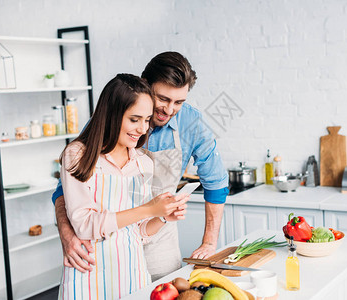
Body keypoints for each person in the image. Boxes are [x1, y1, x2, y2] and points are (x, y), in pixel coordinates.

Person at [53, 52, 229, 280]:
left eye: (178, 102)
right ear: (145, 85)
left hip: (157, 239)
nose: (169, 110)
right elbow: (65, 188)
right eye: (163, 99)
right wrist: (67, 235)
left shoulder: (190, 123)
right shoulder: (106, 121)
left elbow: (216, 183)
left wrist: (209, 243)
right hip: (102, 243)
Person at [57, 73, 188, 299]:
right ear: (111, 116)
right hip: (89, 277)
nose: (142, 129)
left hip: (132, 276)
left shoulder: (143, 163)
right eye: (134, 119)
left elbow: (137, 233)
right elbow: (84, 225)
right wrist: (149, 209)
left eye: (147, 120)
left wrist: (164, 217)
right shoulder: (78, 155)